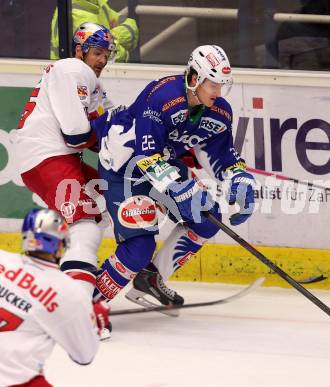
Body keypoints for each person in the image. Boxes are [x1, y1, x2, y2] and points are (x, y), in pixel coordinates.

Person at [90, 45, 256, 307]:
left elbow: (221, 155)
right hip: (124, 168)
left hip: (163, 163)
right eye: (213, 84)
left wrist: (240, 178)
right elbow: (146, 155)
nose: (218, 92)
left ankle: (150, 279)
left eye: (222, 85)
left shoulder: (218, 111)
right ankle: (85, 305)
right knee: (139, 247)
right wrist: (178, 186)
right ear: (194, 78)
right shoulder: (162, 95)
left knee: (207, 220)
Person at [12, 22, 116, 299]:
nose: (102, 60)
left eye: (106, 54)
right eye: (97, 52)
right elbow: (77, 134)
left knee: (112, 200)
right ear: (80, 51)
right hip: (48, 156)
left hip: (56, 158)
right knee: (84, 224)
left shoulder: (87, 79)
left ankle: (40, 275)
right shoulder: (73, 69)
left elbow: (109, 124)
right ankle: (80, 305)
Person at [0, 208, 109, 387]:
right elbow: (84, 356)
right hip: (15, 380)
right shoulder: (70, 293)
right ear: (63, 243)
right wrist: (95, 324)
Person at [50, 0, 139, 62]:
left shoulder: (99, 5)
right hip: (76, 80)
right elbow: (107, 56)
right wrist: (124, 52)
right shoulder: (73, 13)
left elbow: (131, 27)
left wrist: (110, 36)